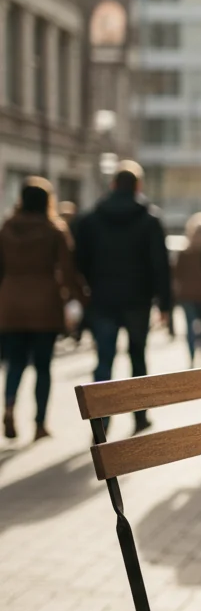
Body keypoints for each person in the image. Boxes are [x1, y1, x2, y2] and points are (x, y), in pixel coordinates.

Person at [75, 161, 173, 435]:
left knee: (104, 358)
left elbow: (79, 260)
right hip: (138, 301)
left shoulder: (91, 219)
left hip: (103, 299)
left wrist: (91, 286)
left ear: (113, 185)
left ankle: (101, 420)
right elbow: (160, 265)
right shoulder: (150, 219)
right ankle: (140, 415)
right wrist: (164, 304)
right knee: (137, 357)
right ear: (138, 187)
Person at [0, 178, 86, 441]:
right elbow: (68, 271)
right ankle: (39, 423)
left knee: (14, 363)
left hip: (11, 303)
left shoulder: (6, 229)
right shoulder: (54, 230)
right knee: (42, 366)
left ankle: (10, 406)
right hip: (45, 305)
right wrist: (81, 298)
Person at [175, 212, 201, 367]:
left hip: (188, 296)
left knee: (191, 328)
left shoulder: (185, 252)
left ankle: (191, 359)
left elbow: (176, 274)